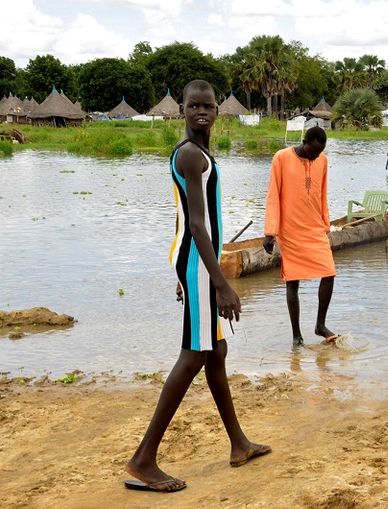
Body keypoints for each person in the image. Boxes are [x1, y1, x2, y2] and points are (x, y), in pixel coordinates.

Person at [125, 80, 270, 494]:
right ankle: (143, 459)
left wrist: (194, 275)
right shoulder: (190, 154)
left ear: (217, 112)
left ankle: (238, 444)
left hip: (194, 265)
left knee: (216, 350)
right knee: (193, 355)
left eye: (208, 106)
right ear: (182, 111)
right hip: (198, 265)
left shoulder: (201, 154)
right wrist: (220, 283)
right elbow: (195, 225)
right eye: (194, 106)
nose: (201, 111)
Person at [262, 126, 338, 348]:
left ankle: (320, 325)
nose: (315, 157)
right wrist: (270, 232)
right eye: (312, 152)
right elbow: (273, 195)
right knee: (292, 281)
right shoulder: (281, 158)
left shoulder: (322, 161)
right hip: (290, 229)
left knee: (329, 271)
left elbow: (322, 193)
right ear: (304, 141)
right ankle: (296, 335)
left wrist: (326, 224)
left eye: (319, 153)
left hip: (314, 227)